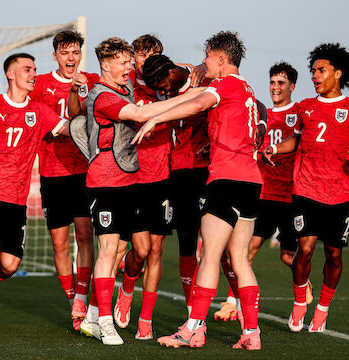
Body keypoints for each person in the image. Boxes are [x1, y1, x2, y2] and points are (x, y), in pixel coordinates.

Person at [133, 31, 265, 350]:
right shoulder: (246, 88)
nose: (204, 63)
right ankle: (251, 333)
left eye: (207, 57)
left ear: (220, 58)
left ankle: (194, 327)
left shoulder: (224, 85)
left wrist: (155, 119)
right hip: (251, 180)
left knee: (208, 257)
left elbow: (196, 104)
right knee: (240, 260)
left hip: (226, 179)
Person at [72, 37, 202, 346]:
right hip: (105, 182)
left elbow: (172, 70)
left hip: (129, 183)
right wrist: (194, 98)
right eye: (124, 62)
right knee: (109, 250)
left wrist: (196, 71)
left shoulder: (124, 86)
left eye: (131, 61)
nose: (130, 66)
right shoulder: (102, 96)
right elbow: (141, 115)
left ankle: (93, 315)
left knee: (137, 249)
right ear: (106, 66)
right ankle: (104, 322)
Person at [261, 43, 349, 333]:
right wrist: (275, 147)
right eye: (313, 71)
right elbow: (296, 141)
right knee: (305, 248)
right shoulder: (305, 108)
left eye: (321, 70)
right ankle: (300, 302)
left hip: (338, 192)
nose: (316, 75)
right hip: (305, 189)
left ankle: (322, 309)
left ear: (338, 73)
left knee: (334, 255)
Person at [0, 53, 69, 336]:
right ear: (11, 74)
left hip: (16, 197)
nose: (33, 73)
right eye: (27, 69)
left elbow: (65, 128)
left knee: (9, 265)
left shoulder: (40, 111)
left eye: (35, 69)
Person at [214, 61, 314, 323]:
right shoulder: (263, 115)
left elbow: (303, 143)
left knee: (288, 255)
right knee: (245, 250)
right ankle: (231, 301)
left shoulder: (300, 113)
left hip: (291, 195)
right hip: (263, 193)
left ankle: (303, 287)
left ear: (292, 86)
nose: (275, 87)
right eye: (272, 82)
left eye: (281, 83)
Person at [29, 30, 100, 331]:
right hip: (52, 173)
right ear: (55, 55)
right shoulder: (41, 85)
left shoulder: (93, 81)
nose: (70, 58)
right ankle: (73, 300)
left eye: (75, 53)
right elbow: (30, 115)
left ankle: (81, 297)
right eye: (64, 52)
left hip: (85, 171)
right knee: (59, 244)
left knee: (85, 235)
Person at [113, 34, 173, 341]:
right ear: (133, 59)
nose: (148, 62)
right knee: (139, 250)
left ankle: (146, 319)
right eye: (143, 56)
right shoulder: (125, 88)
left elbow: (192, 73)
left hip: (163, 177)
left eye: (155, 56)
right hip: (133, 177)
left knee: (157, 250)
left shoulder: (168, 87)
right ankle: (126, 288)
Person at [141, 54, 211, 316]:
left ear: (170, 75)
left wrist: (260, 122)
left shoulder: (204, 81)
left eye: (161, 86)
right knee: (186, 241)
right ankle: (193, 311)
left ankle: (239, 306)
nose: (160, 92)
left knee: (223, 245)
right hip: (179, 174)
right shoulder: (170, 85)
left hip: (207, 172)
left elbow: (252, 102)